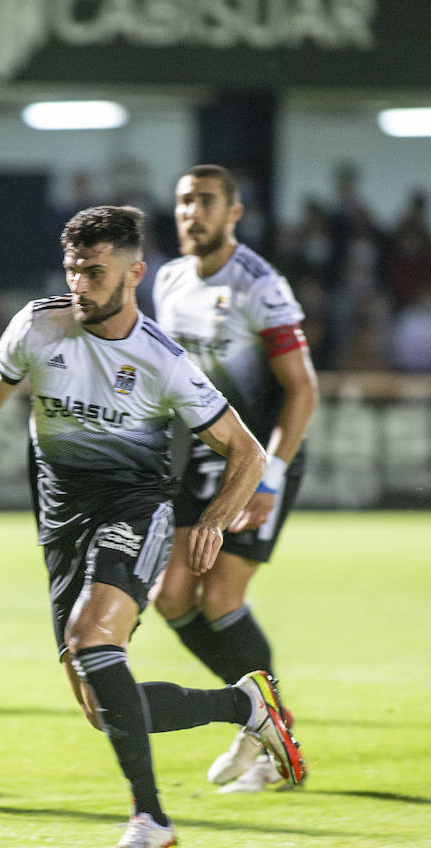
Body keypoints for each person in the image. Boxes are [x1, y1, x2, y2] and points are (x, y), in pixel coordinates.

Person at [0, 205, 305, 848]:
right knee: (100, 701)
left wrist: (216, 517)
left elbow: (247, 452)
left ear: (134, 273)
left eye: (94, 271)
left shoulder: (161, 360)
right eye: (73, 270)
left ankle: (152, 820)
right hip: (60, 527)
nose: (80, 285)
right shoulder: (38, 325)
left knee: (91, 642)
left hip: (135, 513)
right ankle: (243, 705)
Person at [150, 164, 320, 793]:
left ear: (234, 213)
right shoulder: (167, 281)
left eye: (206, 202)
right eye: (184, 202)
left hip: (262, 459)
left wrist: (270, 475)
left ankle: (269, 740)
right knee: (170, 597)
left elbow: (302, 389)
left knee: (220, 597)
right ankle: (262, 716)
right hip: (201, 460)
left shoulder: (259, 286)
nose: (192, 213)